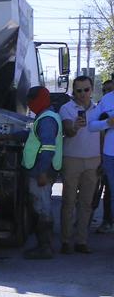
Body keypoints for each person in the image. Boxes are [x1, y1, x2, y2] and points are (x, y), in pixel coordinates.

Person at [1, 86, 62, 259]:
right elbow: (32, 135)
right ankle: (43, 246)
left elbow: (48, 148)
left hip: (41, 172)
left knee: (42, 207)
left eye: (30, 100)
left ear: (39, 100)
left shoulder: (47, 119)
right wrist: (10, 136)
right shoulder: (45, 116)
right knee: (40, 206)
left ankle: (45, 248)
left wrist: (42, 172)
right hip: (40, 171)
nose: (28, 104)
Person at [58, 76, 100, 254]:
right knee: (68, 202)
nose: (83, 94)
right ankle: (66, 241)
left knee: (86, 203)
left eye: (86, 90)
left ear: (92, 90)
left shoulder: (99, 109)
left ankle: (81, 241)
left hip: (93, 160)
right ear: (73, 91)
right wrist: (75, 127)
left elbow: (103, 134)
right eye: (79, 90)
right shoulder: (66, 108)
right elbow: (68, 130)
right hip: (72, 160)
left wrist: (102, 159)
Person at [86, 82, 114, 238]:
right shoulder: (106, 102)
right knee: (107, 193)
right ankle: (105, 221)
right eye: (104, 90)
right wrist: (107, 123)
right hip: (107, 156)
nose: (106, 91)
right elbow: (92, 126)